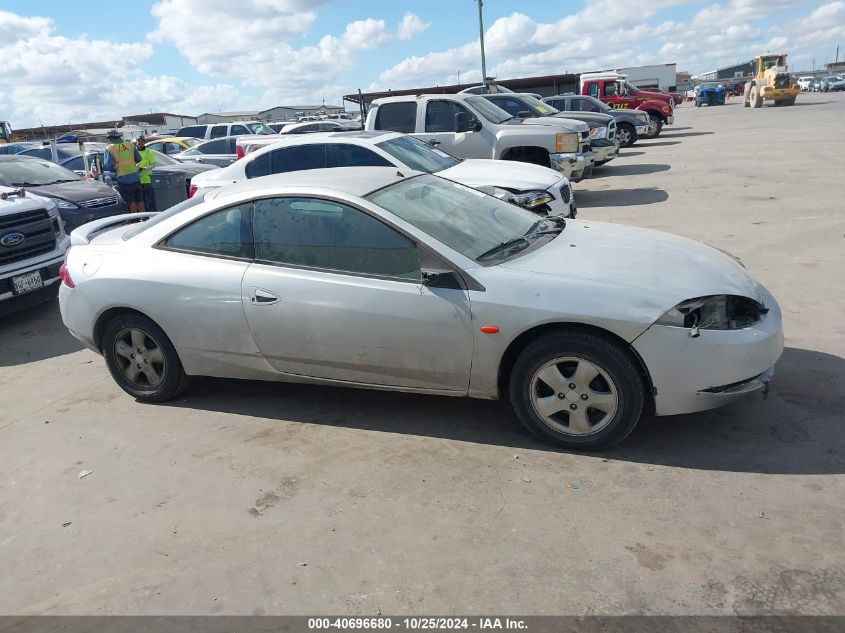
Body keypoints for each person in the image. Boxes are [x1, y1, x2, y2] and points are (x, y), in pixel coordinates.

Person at [103, 129, 144, 213]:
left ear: (110, 138)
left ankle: (136, 219)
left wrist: (117, 168)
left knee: (131, 201)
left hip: (123, 179)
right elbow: (139, 159)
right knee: (140, 200)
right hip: (136, 177)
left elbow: (109, 166)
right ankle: (145, 217)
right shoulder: (130, 144)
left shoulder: (110, 148)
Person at [135, 136, 157, 212]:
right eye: (139, 141)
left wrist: (144, 168)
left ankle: (152, 213)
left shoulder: (149, 152)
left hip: (147, 180)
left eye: (142, 141)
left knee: (150, 199)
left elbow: (153, 165)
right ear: (136, 142)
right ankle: (144, 215)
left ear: (144, 142)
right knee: (140, 200)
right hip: (137, 180)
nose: (140, 143)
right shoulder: (133, 152)